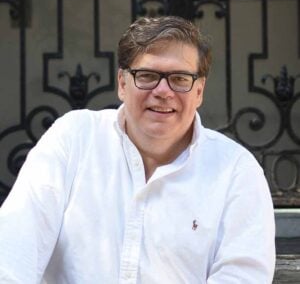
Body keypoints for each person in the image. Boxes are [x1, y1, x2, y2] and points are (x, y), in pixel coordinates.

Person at [0, 16, 275, 283]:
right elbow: (14, 251)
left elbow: (241, 277)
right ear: (122, 83)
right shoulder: (73, 139)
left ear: (199, 92)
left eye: (180, 79)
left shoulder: (237, 171)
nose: (163, 91)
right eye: (147, 76)